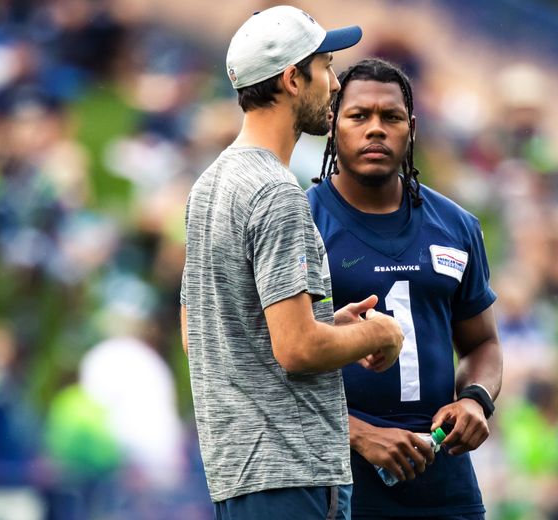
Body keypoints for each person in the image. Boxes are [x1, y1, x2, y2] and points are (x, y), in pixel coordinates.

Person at [180, 9, 404, 520]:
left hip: (238, 475)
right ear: (291, 78)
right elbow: (298, 348)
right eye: (326, 66)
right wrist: (378, 336)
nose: (335, 82)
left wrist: (330, 326)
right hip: (292, 473)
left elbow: (200, 331)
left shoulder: (209, 185)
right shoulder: (276, 192)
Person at [308, 58, 503, 519]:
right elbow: (272, 362)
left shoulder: (456, 225)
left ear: (410, 128)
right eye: (359, 116)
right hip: (339, 479)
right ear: (333, 125)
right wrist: (358, 433)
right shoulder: (301, 222)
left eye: (390, 117)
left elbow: (483, 343)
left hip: (442, 479)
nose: (376, 129)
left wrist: (475, 399)